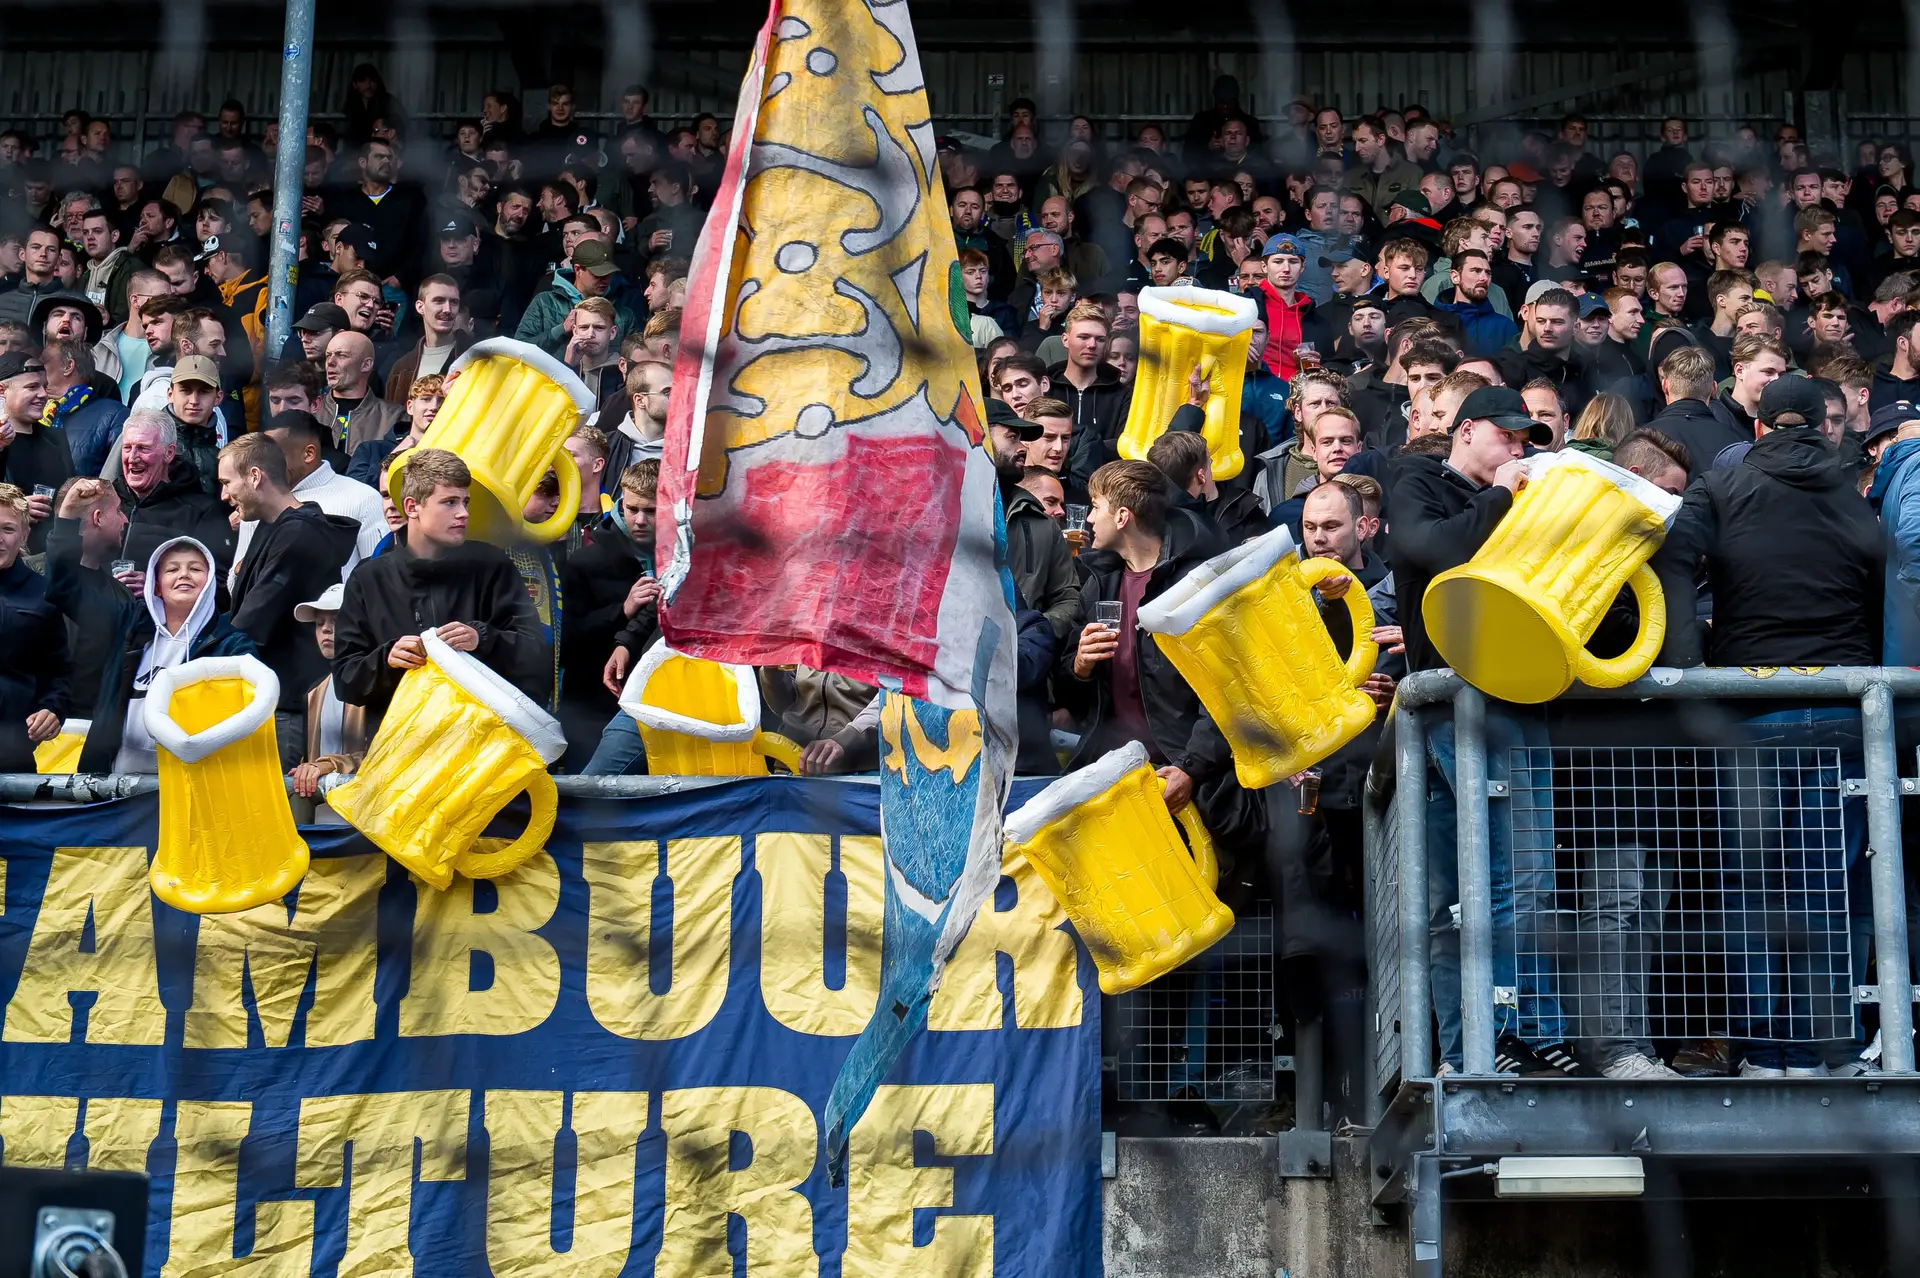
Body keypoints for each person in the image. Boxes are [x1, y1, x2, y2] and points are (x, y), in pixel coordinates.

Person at [1652, 377, 1880, 1077]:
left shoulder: (1722, 486)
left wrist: (1689, 665)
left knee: (1750, 889)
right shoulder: (1850, 495)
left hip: (1751, 707)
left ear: (1756, 424)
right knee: (1823, 887)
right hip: (1840, 705)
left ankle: (1760, 1050)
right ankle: (1817, 1049)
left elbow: (1669, 557)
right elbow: (1882, 581)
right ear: (1821, 425)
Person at [1391, 385, 1584, 1074]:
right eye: (1507, 435)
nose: (1517, 449)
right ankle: (1491, 1037)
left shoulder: (1522, 496)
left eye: (1526, 440)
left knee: (1524, 875)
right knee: (1473, 887)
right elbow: (1436, 550)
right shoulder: (1418, 481)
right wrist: (1502, 493)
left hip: (1517, 695)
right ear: (1467, 429)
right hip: (1455, 701)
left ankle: (1522, 1030)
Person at [1058, 460, 1261, 853]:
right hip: (1116, 779)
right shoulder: (1099, 583)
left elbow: (1229, 688)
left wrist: (1191, 768)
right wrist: (1079, 666)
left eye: (1095, 507)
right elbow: (1071, 694)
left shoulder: (1196, 584)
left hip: (1186, 781)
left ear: (1122, 516)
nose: (1089, 519)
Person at [331, 448, 548, 721]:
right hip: (402, 737)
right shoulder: (368, 578)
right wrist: (387, 660)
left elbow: (536, 654)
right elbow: (345, 680)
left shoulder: (492, 565)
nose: (463, 513)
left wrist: (482, 639)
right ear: (412, 507)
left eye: (465, 502)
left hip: (485, 735)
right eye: (449, 503)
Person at [216, 433, 361, 766]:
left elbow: (251, 621)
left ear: (255, 476)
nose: (224, 495)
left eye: (227, 483)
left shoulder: (298, 533)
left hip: (288, 706)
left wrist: (197, 650)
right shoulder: (275, 526)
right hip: (274, 699)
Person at [72, 534, 256, 774]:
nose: (184, 575)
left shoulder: (232, 645)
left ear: (210, 581)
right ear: (156, 585)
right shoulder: (129, 626)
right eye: (172, 569)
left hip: (190, 780)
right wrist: (67, 523)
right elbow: (66, 590)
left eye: (195, 569)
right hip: (113, 781)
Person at [0, 483, 70, 771]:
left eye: (7, 529)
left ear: (24, 535)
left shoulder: (44, 595)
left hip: (11, 755)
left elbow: (59, 672)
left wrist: (52, 709)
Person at [111, 412, 235, 573]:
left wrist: (153, 584)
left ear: (169, 453)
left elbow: (218, 577)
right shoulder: (105, 501)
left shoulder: (203, 513)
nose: (132, 458)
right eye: (127, 448)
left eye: (143, 448)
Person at [286, 582, 371, 800]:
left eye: (336, 620)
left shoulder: (380, 681)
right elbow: (310, 760)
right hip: (324, 811)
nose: (325, 629)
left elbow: (388, 755)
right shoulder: (314, 692)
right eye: (319, 623)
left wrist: (327, 765)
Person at [0, 353, 72, 556]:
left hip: (53, 556)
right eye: (32, 387)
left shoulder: (56, 438)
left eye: (44, 386)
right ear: (2, 391)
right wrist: (16, 510)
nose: (43, 394)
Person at [40, 337, 127, 476]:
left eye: (43, 362)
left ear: (68, 366)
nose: (37, 368)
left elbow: (120, 475)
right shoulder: (35, 412)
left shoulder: (115, 415)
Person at [382, 274, 470, 401]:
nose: (448, 309)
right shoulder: (401, 368)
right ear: (420, 307)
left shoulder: (475, 358)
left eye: (454, 302)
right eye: (439, 301)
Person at [319, 330, 404, 452]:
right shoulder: (311, 410)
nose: (330, 362)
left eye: (341, 355)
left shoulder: (394, 417)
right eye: (328, 355)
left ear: (366, 365)